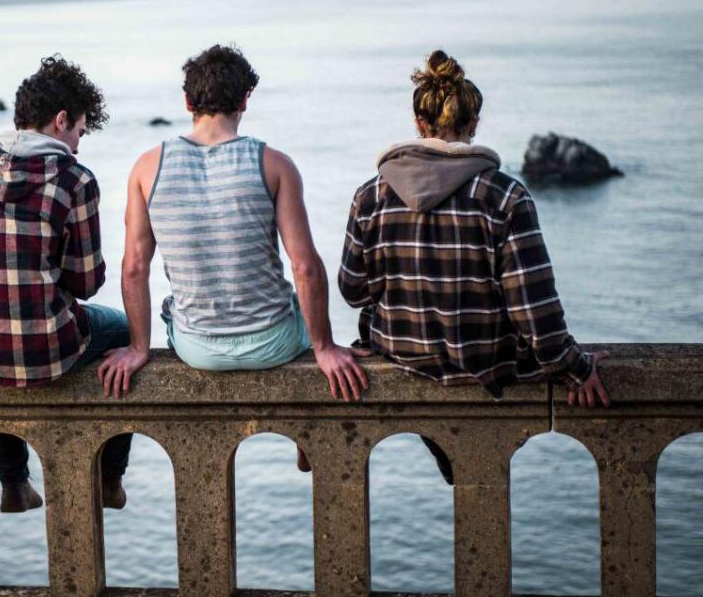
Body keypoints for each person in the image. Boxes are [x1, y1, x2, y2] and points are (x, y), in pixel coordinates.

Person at [98, 44, 369, 470]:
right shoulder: (274, 164)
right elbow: (305, 267)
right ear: (245, 100)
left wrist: (137, 347)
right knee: (296, 310)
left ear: (188, 103)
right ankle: (304, 440)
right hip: (274, 342)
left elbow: (134, 268)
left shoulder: (147, 168)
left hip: (196, 349)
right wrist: (324, 346)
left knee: (177, 307)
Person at [337, 50, 609, 421]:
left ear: (419, 123)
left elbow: (354, 292)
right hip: (488, 364)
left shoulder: (371, 196)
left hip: (402, 355)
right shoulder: (505, 196)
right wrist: (577, 367)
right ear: (474, 122)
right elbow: (534, 311)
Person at [0, 56, 132, 512]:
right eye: (79, 131)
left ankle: (13, 483)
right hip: (47, 354)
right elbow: (86, 281)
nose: (78, 146)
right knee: (124, 332)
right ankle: (110, 477)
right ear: (61, 121)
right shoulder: (74, 179)